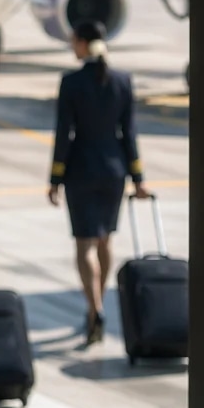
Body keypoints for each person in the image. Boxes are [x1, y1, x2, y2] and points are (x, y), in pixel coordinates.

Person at [49, 20, 149, 346]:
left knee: (84, 245)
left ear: (81, 43)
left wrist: (55, 177)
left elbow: (65, 134)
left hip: (81, 170)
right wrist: (138, 177)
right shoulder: (122, 80)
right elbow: (129, 133)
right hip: (114, 170)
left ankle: (94, 308)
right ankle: (100, 301)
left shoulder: (71, 82)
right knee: (106, 240)